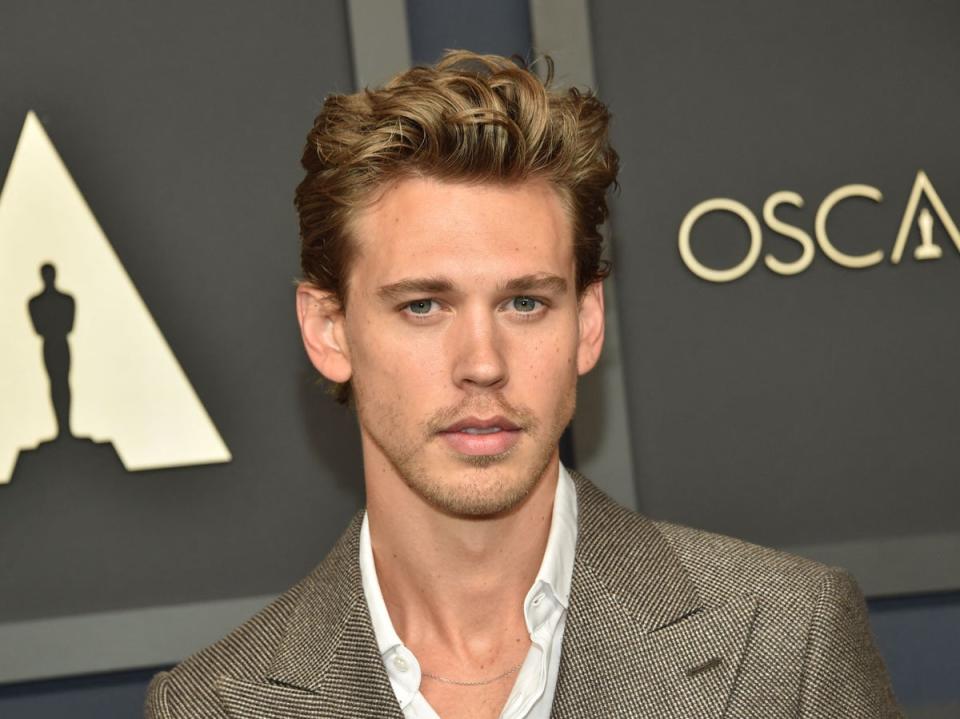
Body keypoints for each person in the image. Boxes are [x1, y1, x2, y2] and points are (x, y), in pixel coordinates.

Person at [144, 51, 901, 718]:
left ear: (589, 319)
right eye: (423, 305)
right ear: (329, 329)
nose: (483, 361)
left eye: (524, 302)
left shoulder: (784, 645)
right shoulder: (215, 705)